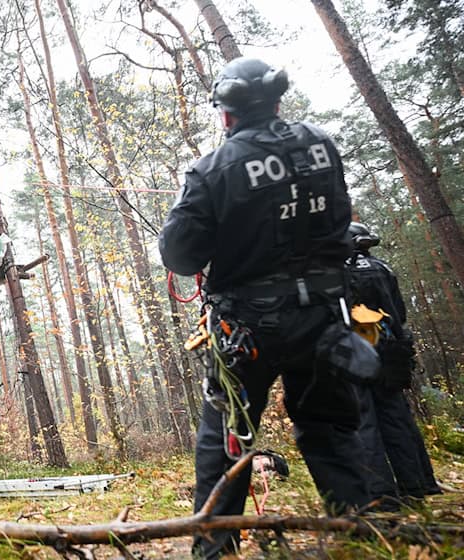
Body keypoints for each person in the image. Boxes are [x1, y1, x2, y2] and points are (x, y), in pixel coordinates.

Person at [159, 57, 371, 558]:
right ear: (277, 101)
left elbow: (179, 253)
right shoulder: (321, 145)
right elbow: (340, 218)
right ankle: (363, 536)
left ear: (226, 114)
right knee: (331, 428)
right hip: (323, 319)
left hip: (247, 329)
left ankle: (215, 549)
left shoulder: (213, 170)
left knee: (227, 439)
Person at [347, 221, 441, 501]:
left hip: (358, 353)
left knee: (364, 421)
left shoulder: (340, 271)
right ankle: (417, 485)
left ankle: (381, 494)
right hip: (390, 351)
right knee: (398, 418)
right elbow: (399, 313)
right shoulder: (383, 268)